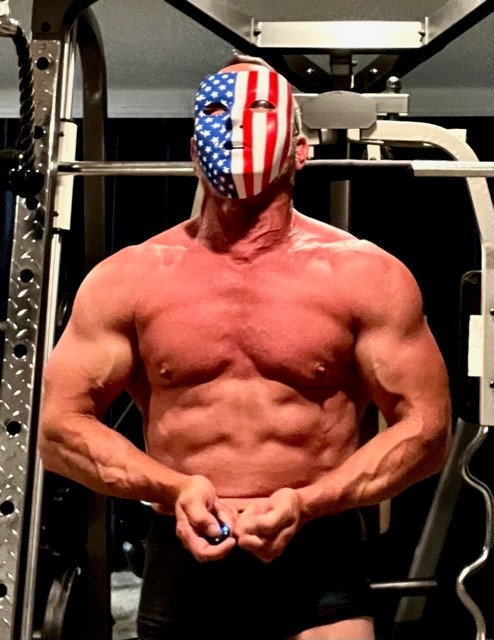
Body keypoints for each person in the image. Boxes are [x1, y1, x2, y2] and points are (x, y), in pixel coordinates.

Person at [39, 55, 452, 640]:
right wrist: (174, 487)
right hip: (183, 553)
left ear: (300, 151)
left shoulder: (366, 277)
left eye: (259, 109)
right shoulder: (128, 280)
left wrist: (309, 502)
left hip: (319, 551)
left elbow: (427, 432)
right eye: (215, 111)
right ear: (192, 151)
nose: (234, 125)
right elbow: (58, 432)